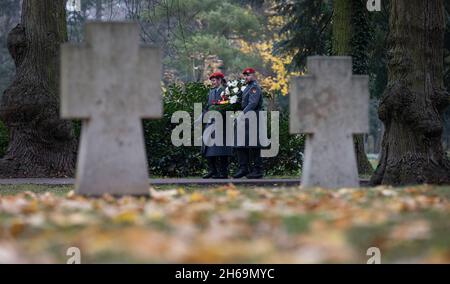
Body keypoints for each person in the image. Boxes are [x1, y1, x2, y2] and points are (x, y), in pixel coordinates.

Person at [233, 68, 264, 179]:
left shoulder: (254, 87)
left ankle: (257, 170)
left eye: (248, 75)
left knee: (254, 145)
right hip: (245, 120)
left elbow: (253, 103)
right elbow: (241, 101)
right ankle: (243, 168)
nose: (246, 77)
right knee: (240, 144)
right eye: (245, 75)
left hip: (253, 118)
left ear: (254, 75)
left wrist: (242, 114)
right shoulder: (247, 88)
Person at [202, 72, 232, 179]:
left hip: (222, 123)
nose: (213, 82)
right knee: (209, 147)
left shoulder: (226, 91)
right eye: (212, 81)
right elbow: (208, 106)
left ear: (219, 80)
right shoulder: (211, 91)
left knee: (222, 148)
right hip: (211, 122)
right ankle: (213, 170)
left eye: (214, 80)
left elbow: (228, 105)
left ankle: (223, 172)